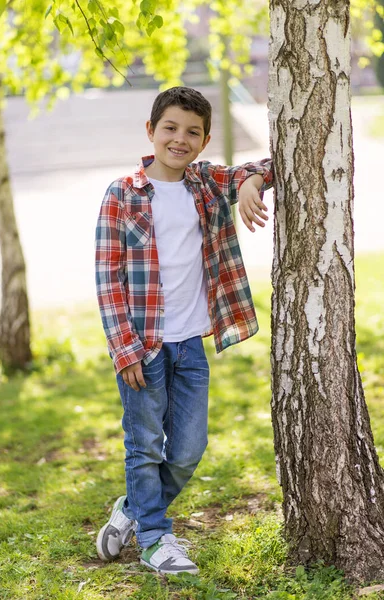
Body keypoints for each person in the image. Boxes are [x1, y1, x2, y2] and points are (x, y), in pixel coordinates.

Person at [95, 86, 273, 575]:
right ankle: (155, 538)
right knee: (146, 444)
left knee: (190, 448)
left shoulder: (205, 183)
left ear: (206, 139)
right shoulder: (122, 194)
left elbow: (269, 163)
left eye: (192, 132)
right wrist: (124, 349)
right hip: (144, 347)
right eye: (170, 128)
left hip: (191, 342)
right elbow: (107, 278)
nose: (180, 139)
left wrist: (249, 183)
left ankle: (132, 509)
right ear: (150, 131)